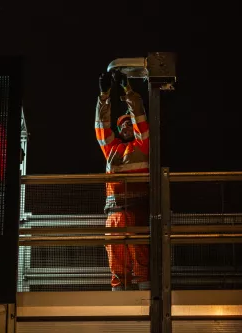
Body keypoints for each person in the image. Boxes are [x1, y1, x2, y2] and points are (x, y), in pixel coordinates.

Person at [94, 71, 150, 291]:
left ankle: (145, 297)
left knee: (141, 259)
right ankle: (118, 299)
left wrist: (129, 91)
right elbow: (100, 125)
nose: (127, 126)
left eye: (129, 123)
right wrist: (103, 95)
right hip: (114, 213)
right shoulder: (112, 149)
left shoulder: (142, 146)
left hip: (137, 212)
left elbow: (140, 117)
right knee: (116, 259)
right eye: (123, 124)